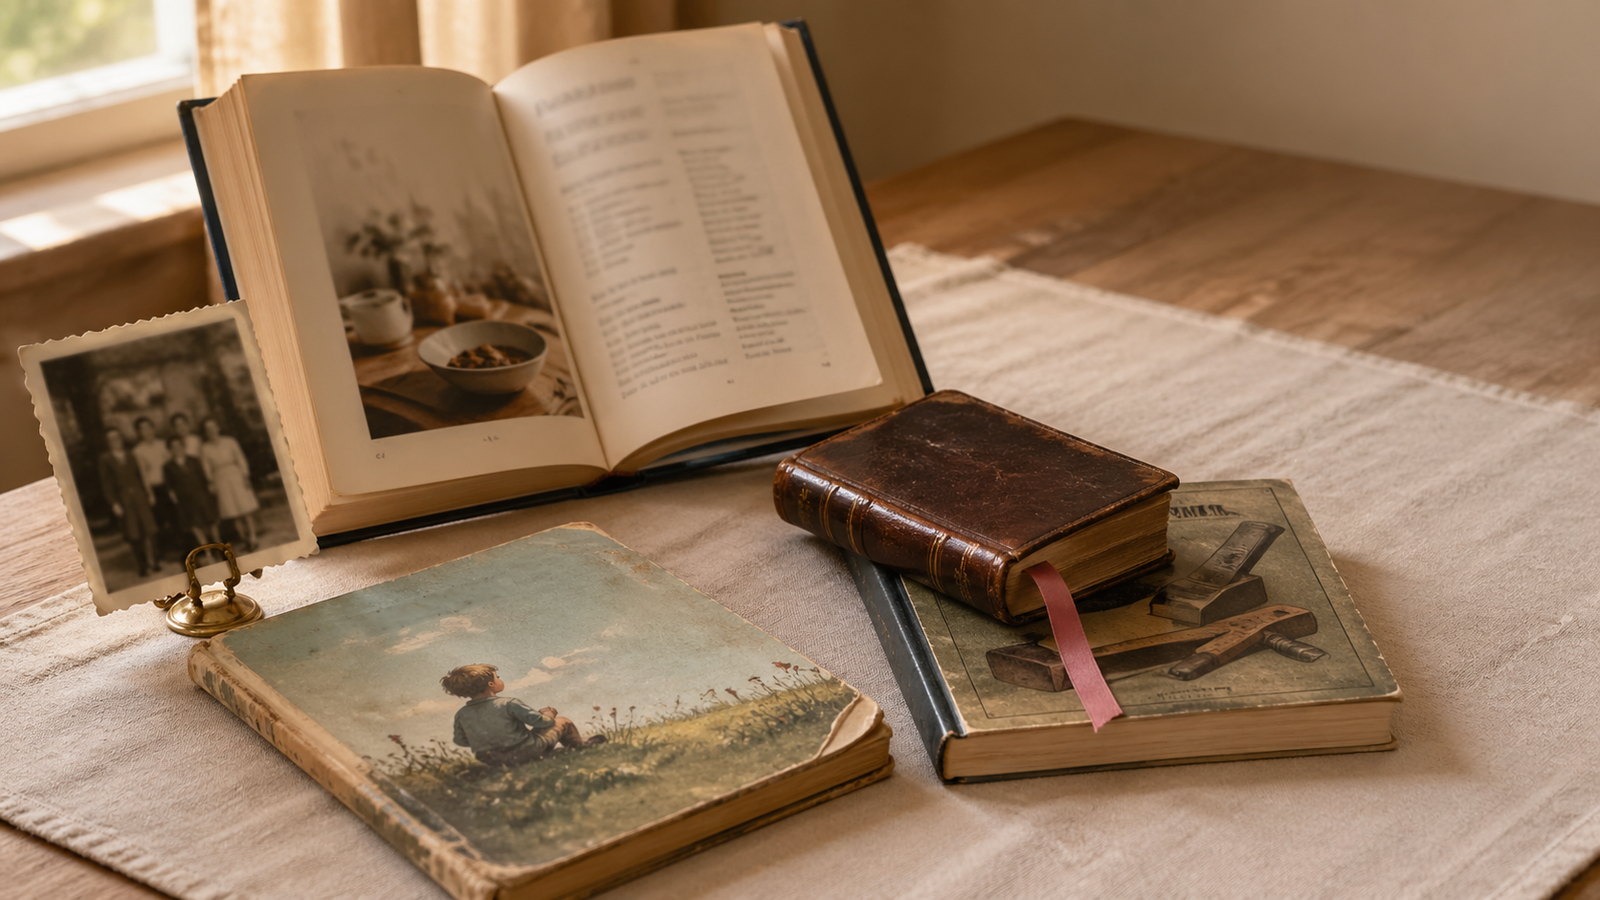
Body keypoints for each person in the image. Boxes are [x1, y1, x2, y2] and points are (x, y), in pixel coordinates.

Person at [441, 664, 603, 768]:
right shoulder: (508, 703)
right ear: (491, 684)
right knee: (562, 722)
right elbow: (543, 723)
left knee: (529, 744)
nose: (499, 679)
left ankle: (537, 759)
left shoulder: (462, 714)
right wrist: (549, 713)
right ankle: (580, 747)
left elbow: (460, 741)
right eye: (498, 677)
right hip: (524, 751)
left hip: (491, 760)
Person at [96, 428, 157, 577]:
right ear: (108, 442)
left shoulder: (131, 455)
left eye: (117, 438)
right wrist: (114, 503)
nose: (115, 441)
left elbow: (140, 475)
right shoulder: (105, 459)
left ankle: (154, 561)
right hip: (124, 499)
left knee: (148, 529)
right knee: (133, 532)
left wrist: (148, 493)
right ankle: (142, 565)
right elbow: (106, 484)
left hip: (139, 495)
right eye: (111, 439)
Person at [199, 418, 260, 552]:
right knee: (232, 512)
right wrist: (211, 482)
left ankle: (253, 537)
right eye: (208, 429)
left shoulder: (230, 441)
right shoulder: (205, 448)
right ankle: (244, 538)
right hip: (220, 478)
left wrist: (245, 476)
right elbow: (206, 467)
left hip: (235, 474)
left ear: (218, 428)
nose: (211, 431)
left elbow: (240, 458)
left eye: (213, 427)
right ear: (205, 432)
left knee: (245, 509)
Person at [162, 435, 221, 557]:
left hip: (201, 495)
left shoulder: (194, 460)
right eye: (173, 447)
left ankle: (219, 547)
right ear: (169, 450)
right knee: (195, 526)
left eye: (179, 446)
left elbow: (203, 477)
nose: (177, 449)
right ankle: (207, 552)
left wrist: (209, 489)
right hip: (185, 501)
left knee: (211, 522)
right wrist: (173, 496)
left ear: (184, 447)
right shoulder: (168, 467)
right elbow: (169, 486)